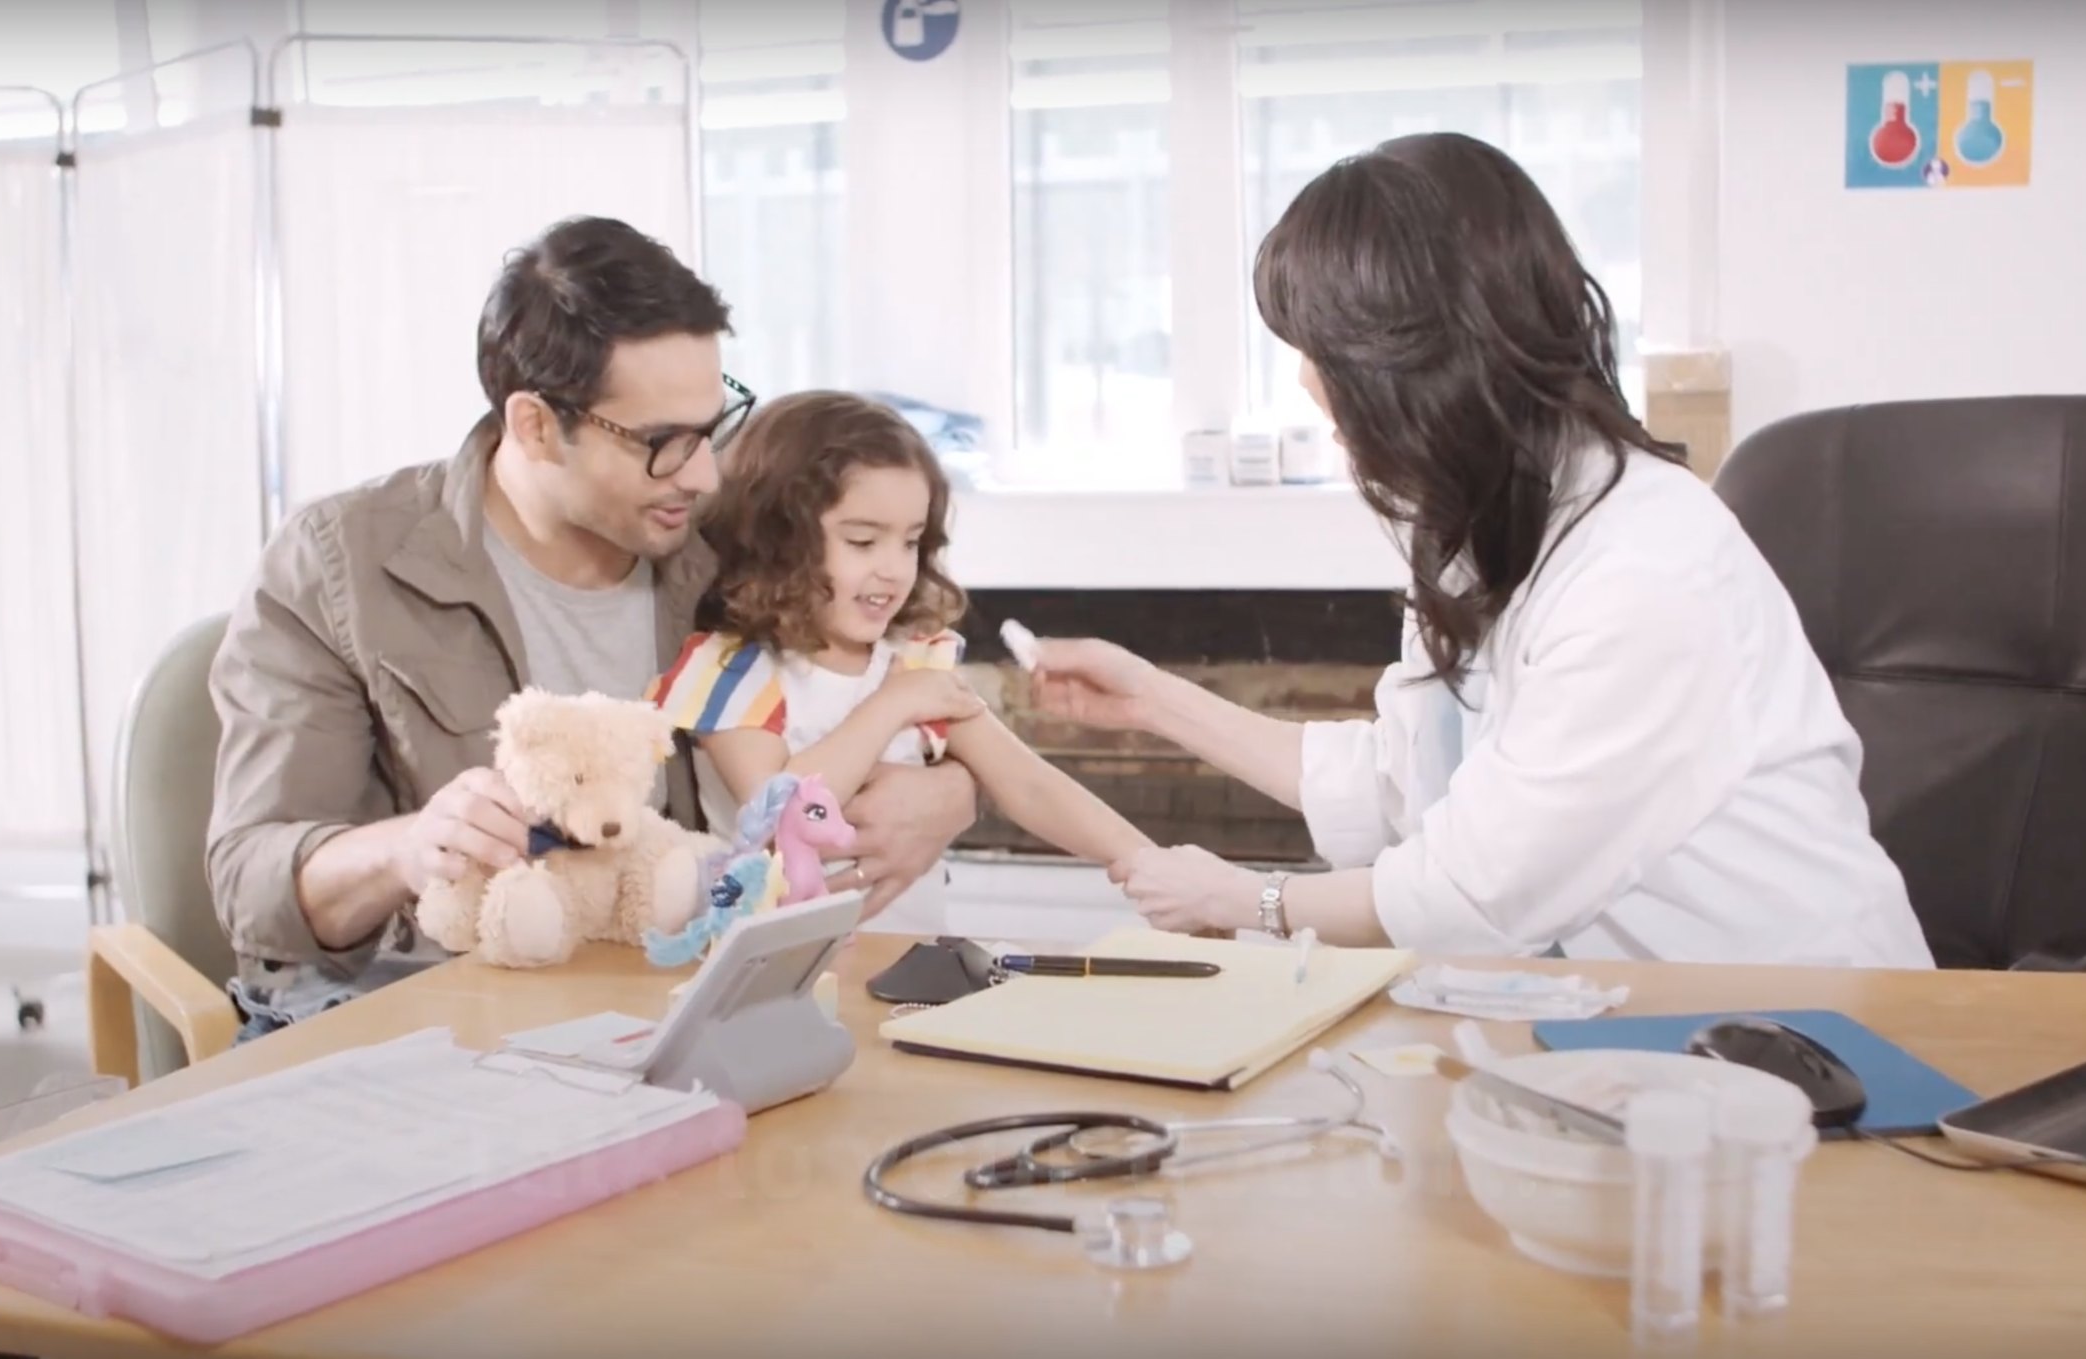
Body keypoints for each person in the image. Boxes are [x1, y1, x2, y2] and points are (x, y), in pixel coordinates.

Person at [1027, 133, 1936, 969]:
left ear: (1418, 363)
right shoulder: (1483, 520)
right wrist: (1151, 699)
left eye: (1322, 355)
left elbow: (1471, 892)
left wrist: (1249, 900)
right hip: (1625, 1021)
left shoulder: (1644, 573)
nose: (1307, 383)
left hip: (1807, 1028)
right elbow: (1404, 783)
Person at [204, 217, 979, 1039]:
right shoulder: (340, 565)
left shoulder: (732, 544)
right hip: (428, 1019)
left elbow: (888, 675)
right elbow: (248, 883)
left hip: (676, 1004)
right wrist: (408, 848)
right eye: (662, 442)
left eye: (713, 425)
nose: (703, 473)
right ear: (535, 425)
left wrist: (954, 793)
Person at [647, 391, 1153, 935]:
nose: (893, 569)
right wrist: (890, 707)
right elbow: (774, 819)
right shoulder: (732, 670)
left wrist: (1152, 866)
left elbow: (1027, 784)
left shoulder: (916, 660)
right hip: (773, 968)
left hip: (912, 959)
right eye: (863, 541)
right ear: (776, 541)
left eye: (910, 543)